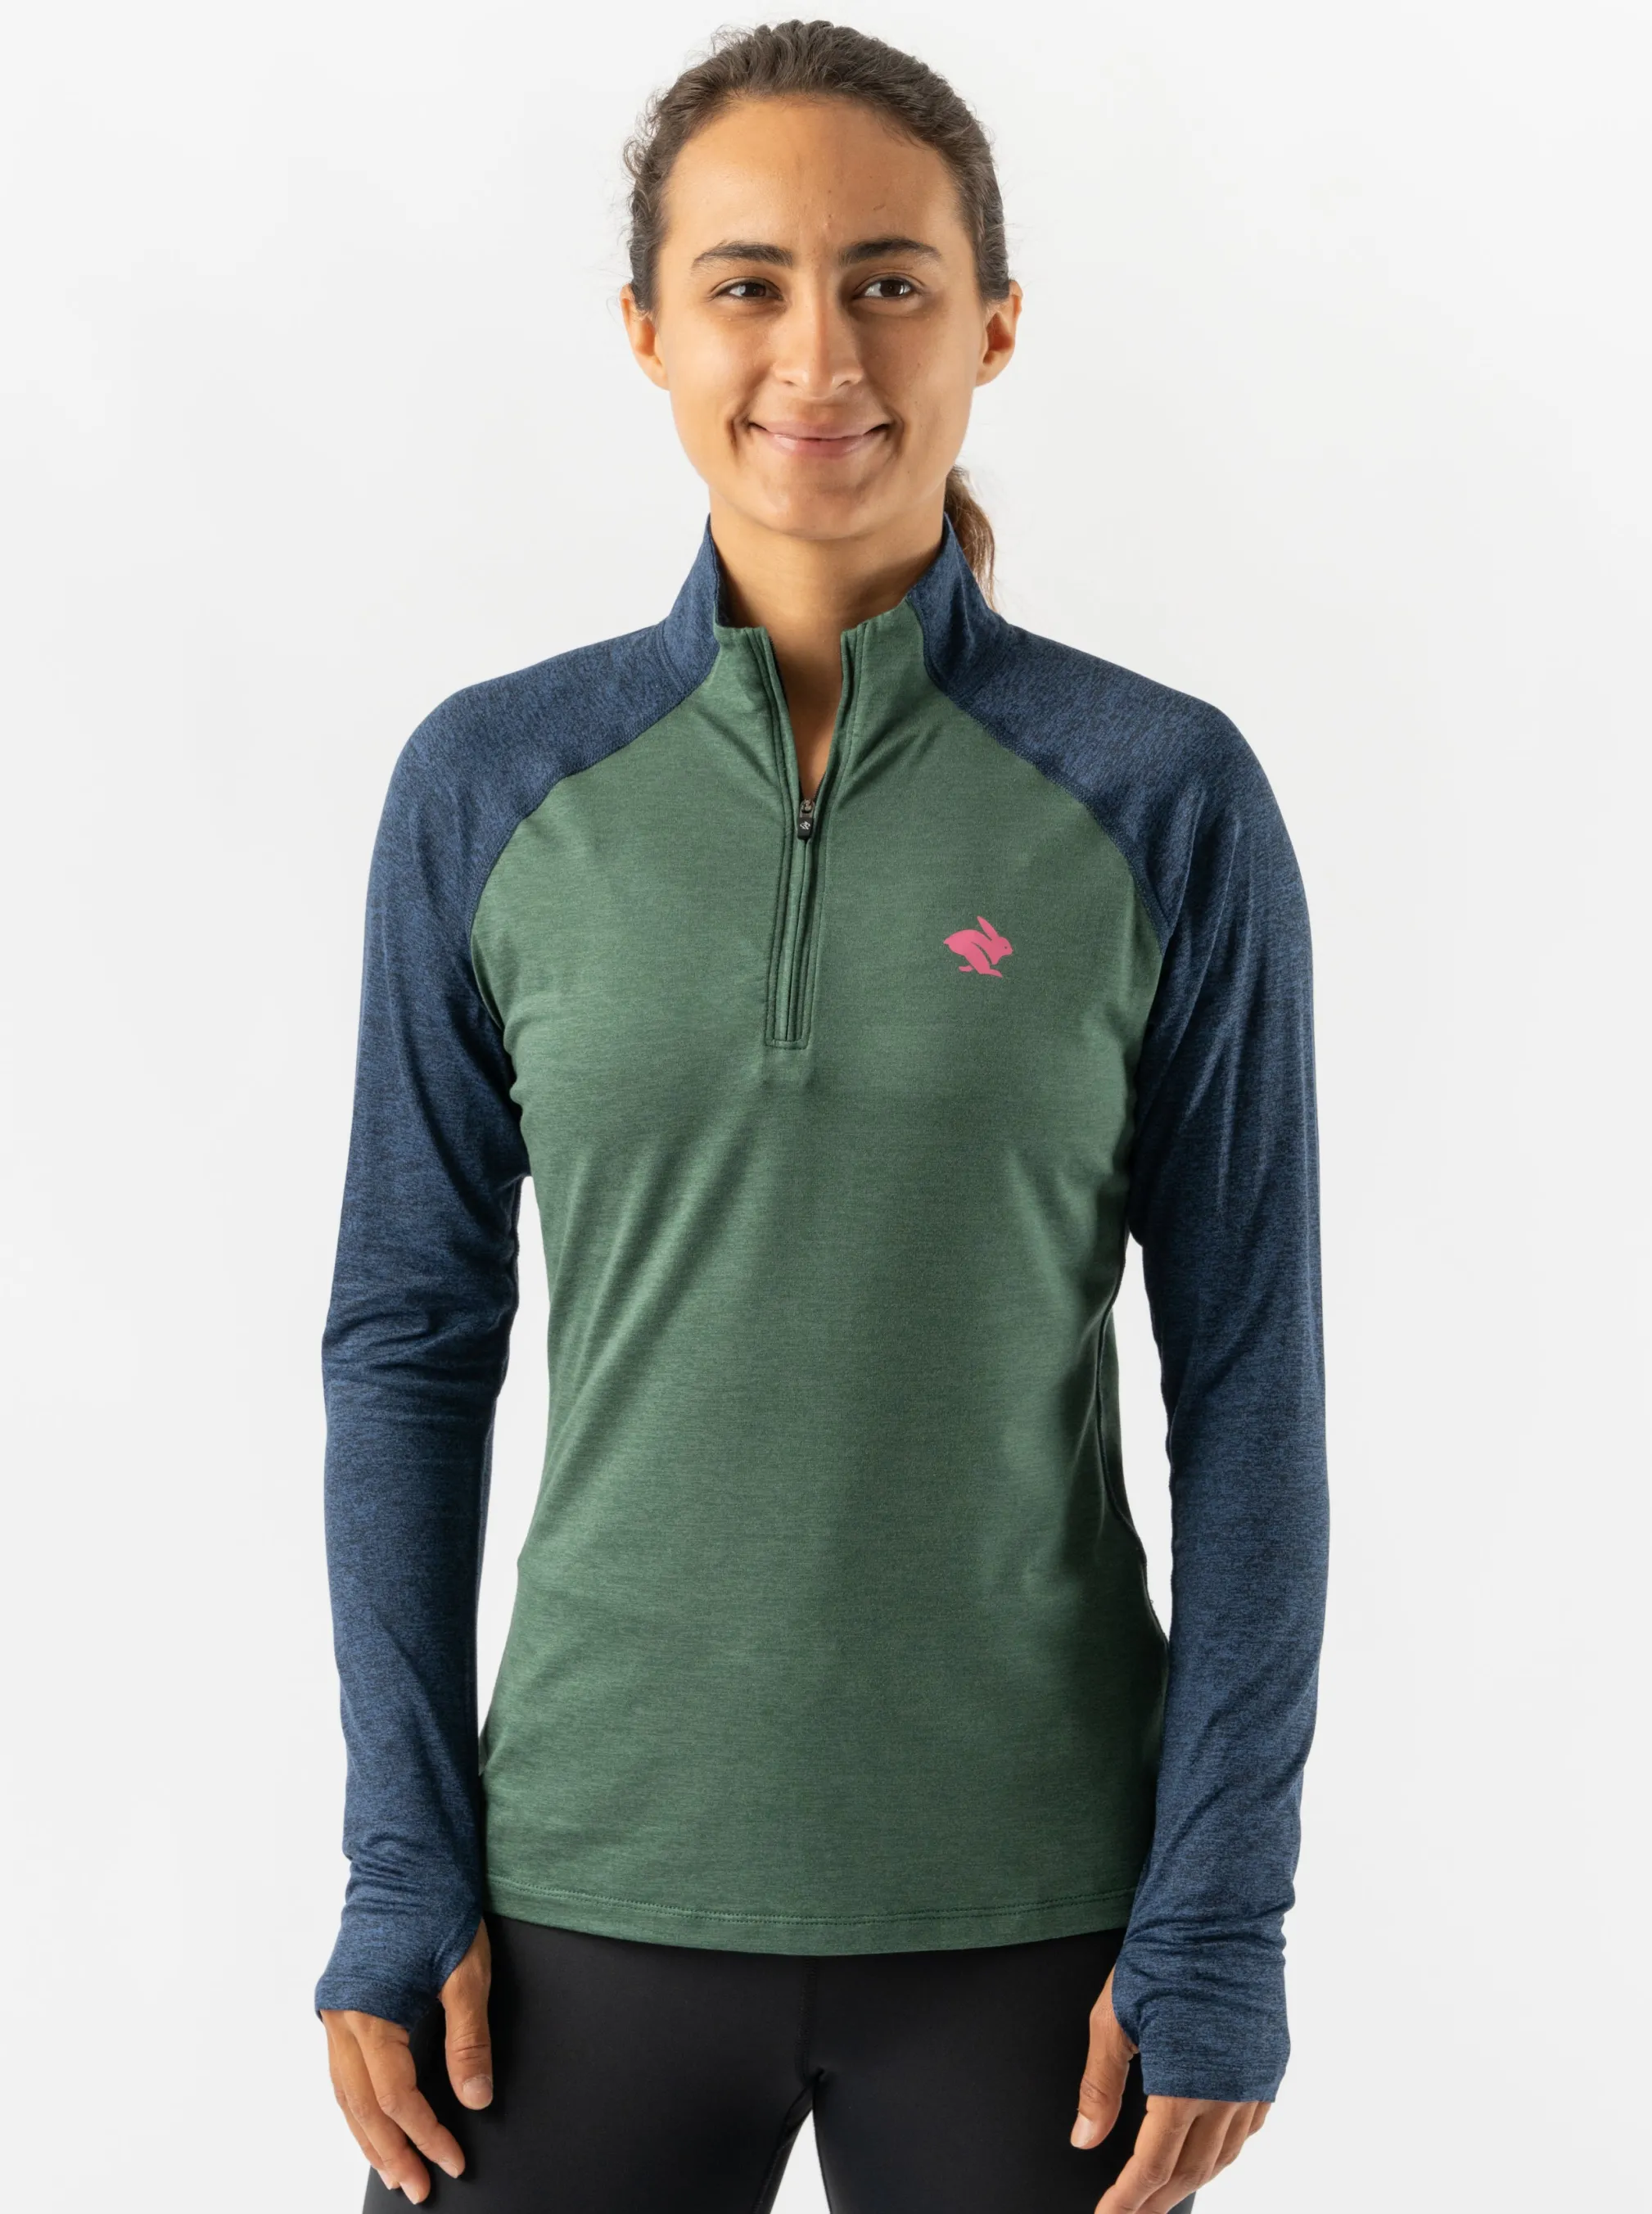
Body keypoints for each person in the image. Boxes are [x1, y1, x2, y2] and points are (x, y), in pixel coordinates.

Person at [314, 21, 1328, 2214]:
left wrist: (1219, 1913)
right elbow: (407, 1338)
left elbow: (1249, 1374)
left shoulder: (1160, 796)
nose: (818, 354)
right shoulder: (491, 786)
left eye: (887, 281)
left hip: (1045, 1927)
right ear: (648, 331)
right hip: (566, 1892)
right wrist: (402, 1863)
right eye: (746, 284)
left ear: (992, 326)